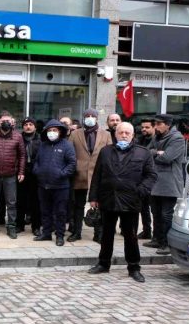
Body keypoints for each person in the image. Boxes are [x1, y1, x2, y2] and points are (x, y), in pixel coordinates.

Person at [88, 122, 158, 283]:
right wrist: (93, 197)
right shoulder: (105, 152)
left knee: (131, 236)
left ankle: (134, 267)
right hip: (108, 199)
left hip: (130, 201)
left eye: (127, 133)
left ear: (133, 135)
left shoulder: (143, 153)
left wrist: (140, 191)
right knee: (106, 235)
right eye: (121, 132)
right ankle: (103, 264)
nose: (124, 135)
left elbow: (151, 176)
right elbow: (97, 175)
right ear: (115, 134)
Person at [68, 108, 112, 243]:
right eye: (87, 115)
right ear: (83, 117)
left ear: (97, 118)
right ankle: (76, 232)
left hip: (99, 175)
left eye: (93, 116)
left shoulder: (106, 134)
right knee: (78, 206)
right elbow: (70, 153)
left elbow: (110, 154)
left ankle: (98, 233)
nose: (90, 118)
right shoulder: (75, 134)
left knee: (98, 205)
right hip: (79, 175)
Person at [145, 114, 186, 255]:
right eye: (155, 124)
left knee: (166, 214)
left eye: (158, 124)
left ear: (167, 125)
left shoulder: (177, 138)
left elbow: (168, 158)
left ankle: (167, 244)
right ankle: (157, 238)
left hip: (169, 182)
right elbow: (146, 152)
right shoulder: (157, 136)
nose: (155, 126)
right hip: (155, 180)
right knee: (155, 212)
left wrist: (156, 154)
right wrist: (157, 152)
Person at [33, 120, 76, 246]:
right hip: (43, 184)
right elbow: (37, 161)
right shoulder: (43, 145)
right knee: (45, 210)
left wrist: (61, 174)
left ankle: (60, 235)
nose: (52, 133)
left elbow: (72, 164)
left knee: (60, 212)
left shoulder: (67, 145)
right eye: (49, 130)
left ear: (60, 132)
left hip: (61, 186)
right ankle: (46, 233)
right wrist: (37, 171)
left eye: (54, 130)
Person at [0, 111, 26, 239]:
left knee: (11, 203)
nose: (5, 123)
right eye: (3, 121)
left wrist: (21, 172)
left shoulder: (18, 136)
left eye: (8, 121)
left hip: (10, 175)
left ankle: (11, 227)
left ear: (12, 122)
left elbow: (22, 155)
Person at [16, 117, 41, 236]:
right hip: (21, 173)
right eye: (26, 124)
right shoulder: (18, 138)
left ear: (35, 127)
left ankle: (36, 226)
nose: (28, 126)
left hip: (35, 174)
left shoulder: (41, 139)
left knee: (36, 201)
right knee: (20, 200)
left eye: (31, 124)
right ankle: (19, 225)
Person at [135, 118, 156, 239]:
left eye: (147, 127)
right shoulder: (140, 139)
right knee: (143, 208)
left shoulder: (156, 139)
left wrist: (151, 152)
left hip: (151, 179)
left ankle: (156, 234)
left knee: (153, 209)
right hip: (140, 178)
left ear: (153, 128)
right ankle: (146, 230)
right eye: (143, 127)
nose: (144, 129)